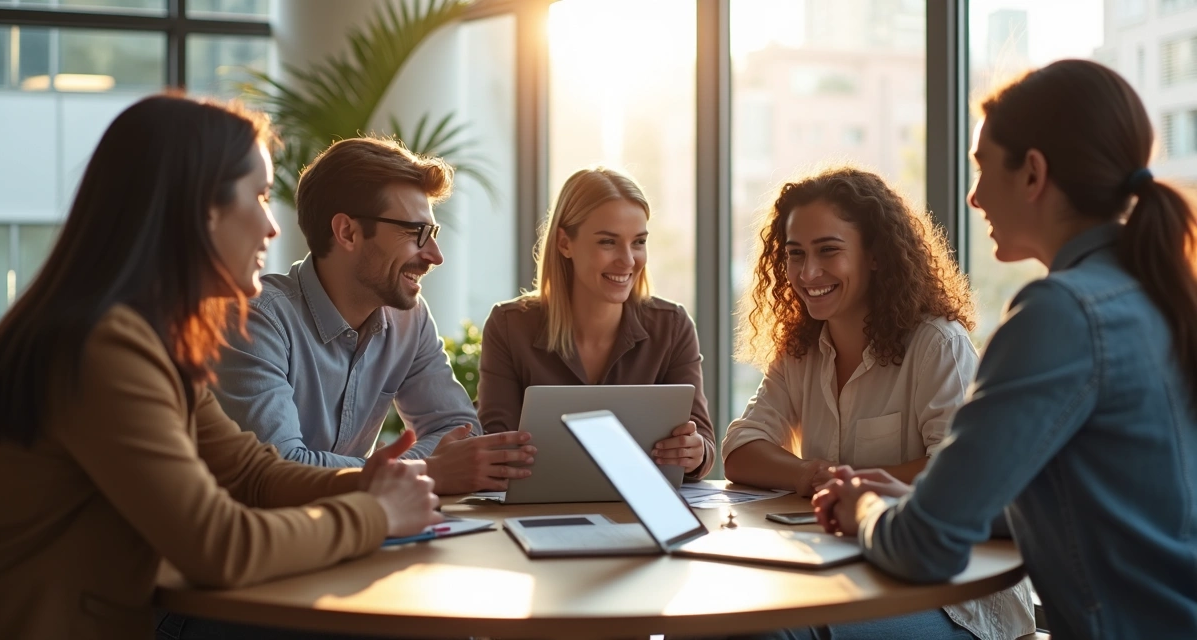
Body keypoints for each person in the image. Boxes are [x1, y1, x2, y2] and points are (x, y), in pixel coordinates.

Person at [0, 95, 441, 640]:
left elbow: (251, 472)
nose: (273, 227)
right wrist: (377, 514)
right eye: (261, 196)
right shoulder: (101, 347)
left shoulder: (150, 340)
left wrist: (369, 481)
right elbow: (218, 546)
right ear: (202, 209)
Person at [814, 59, 1197, 639]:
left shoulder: (1060, 314)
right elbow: (1103, 511)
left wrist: (862, 511)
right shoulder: (1153, 293)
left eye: (982, 169)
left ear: (1033, 174)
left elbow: (925, 549)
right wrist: (916, 499)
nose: (972, 198)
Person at [722, 167, 1034, 639]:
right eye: (795, 254)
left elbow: (957, 479)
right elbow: (742, 448)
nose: (808, 273)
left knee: (770, 631)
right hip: (845, 573)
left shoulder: (936, 345)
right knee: (707, 625)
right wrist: (816, 475)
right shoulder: (800, 349)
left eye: (828, 251)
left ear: (874, 255)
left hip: (949, 598)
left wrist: (855, 491)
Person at [208, 136, 535, 494]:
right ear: (347, 232)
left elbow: (459, 432)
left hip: (362, 528)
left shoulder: (408, 319)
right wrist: (429, 471)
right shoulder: (256, 321)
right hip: (267, 540)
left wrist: (416, 469)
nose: (435, 255)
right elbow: (279, 467)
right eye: (416, 233)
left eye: (433, 233)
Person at [477, 167, 715, 479]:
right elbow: (495, 448)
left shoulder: (672, 326)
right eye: (608, 242)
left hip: (643, 513)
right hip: (538, 514)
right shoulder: (510, 327)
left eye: (638, 242)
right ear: (564, 243)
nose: (628, 260)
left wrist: (694, 452)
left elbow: (703, 444)